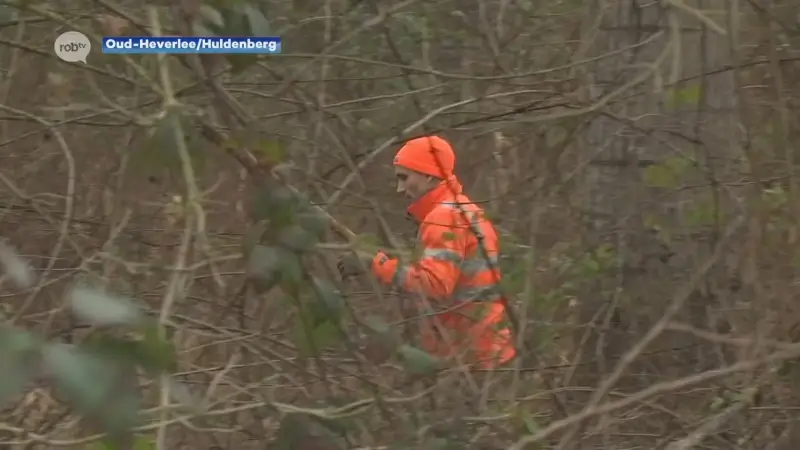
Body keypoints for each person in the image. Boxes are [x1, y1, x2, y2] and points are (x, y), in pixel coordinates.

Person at [338, 135, 516, 369]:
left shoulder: (443, 218)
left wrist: (375, 264)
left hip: (468, 357)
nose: (400, 189)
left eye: (404, 178)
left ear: (428, 175)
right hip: (488, 350)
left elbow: (435, 285)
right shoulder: (466, 210)